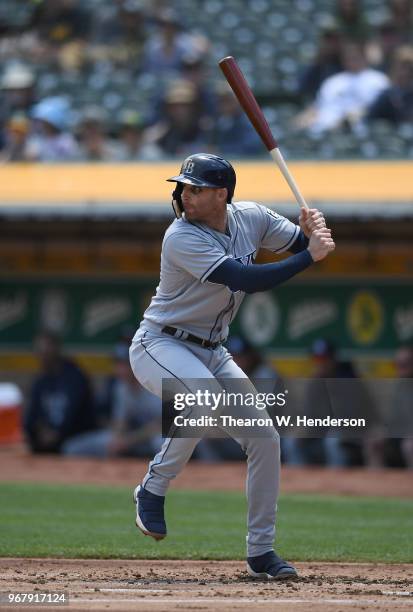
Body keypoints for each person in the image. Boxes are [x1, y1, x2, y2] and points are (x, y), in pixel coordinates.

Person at [129, 153, 335, 579]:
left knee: (264, 438)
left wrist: (312, 233)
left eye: (196, 189)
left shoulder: (253, 216)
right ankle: (153, 486)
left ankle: (261, 553)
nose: (186, 195)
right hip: (161, 343)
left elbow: (300, 245)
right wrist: (310, 254)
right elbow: (247, 279)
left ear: (222, 194)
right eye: (184, 188)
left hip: (213, 349)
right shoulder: (180, 236)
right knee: (201, 400)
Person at [62, 342, 162, 458]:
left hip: (153, 437)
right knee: (72, 448)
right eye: (118, 364)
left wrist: (128, 441)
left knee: (161, 443)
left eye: (124, 364)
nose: (119, 369)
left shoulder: (156, 381)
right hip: (131, 438)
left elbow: (161, 425)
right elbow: (120, 423)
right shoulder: (121, 387)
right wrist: (118, 439)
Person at [24, 330, 96, 454]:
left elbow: (77, 415)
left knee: (69, 448)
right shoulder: (40, 382)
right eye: (40, 352)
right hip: (47, 442)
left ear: (56, 349)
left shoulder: (75, 376)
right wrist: (41, 431)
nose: (43, 356)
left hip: (74, 438)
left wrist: (58, 433)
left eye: (47, 351)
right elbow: (31, 418)